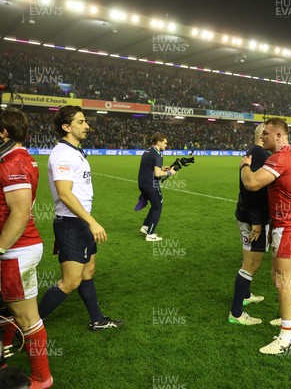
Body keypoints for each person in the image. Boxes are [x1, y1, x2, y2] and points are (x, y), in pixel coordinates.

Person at [38, 105, 123, 331]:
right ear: (66, 127)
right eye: (80, 122)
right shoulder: (63, 154)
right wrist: (92, 222)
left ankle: (97, 320)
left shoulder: (74, 151)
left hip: (81, 221)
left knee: (88, 271)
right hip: (70, 224)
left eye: (85, 121)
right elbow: (65, 194)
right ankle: (29, 324)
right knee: (70, 281)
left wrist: (88, 221)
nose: (87, 126)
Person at [240, 117, 291, 355]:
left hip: (288, 224)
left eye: (267, 134)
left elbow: (251, 183)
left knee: (281, 279)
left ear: (280, 136)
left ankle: (286, 338)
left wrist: (244, 165)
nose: (263, 138)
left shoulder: (279, 158)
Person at [0, 108, 53, 388]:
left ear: (4, 133)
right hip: (16, 250)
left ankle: (41, 378)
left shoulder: (13, 162)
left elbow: (19, 214)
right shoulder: (18, 159)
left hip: (14, 251)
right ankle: (4, 360)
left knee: (26, 317)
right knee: (9, 311)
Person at [228, 123, 270, 326]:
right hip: (252, 218)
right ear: (264, 135)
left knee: (248, 258)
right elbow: (252, 189)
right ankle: (236, 313)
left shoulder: (251, 152)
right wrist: (257, 221)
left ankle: (245, 295)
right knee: (251, 263)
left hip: (245, 214)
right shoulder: (260, 154)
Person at [136, 132, 177, 241]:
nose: (166, 145)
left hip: (142, 183)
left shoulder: (147, 151)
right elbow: (157, 174)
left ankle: (145, 227)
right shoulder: (158, 154)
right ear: (158, 142)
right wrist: (169, 173)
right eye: (165, 142)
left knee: (154, 205)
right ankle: (150, 234)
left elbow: (150, 167)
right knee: (158, 205)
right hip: (151, 184)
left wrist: (162, 168)